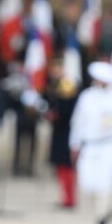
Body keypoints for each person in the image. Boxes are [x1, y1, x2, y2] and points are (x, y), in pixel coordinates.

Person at [69, 61, 112, 224]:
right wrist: (74, 144)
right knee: (87, 182)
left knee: (106, 182)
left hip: (110, 145)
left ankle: (102, 216)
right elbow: (78, 122)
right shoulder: (87, 96)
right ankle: (105, 210)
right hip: (90, 145)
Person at [45, 61, 79, 208]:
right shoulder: (54, 86)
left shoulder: (68, 86)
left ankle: (69, 198)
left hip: (67, 132)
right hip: (59, 132)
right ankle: (65, 196)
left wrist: (55, 115)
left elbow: (67, 111)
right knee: (61, 167)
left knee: (67, 167)